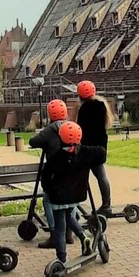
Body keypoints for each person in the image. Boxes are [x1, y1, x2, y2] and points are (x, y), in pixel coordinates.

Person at [42, 122, 100, 263]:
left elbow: (45, 179)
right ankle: (83, 237)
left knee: (60, 228)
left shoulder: (55, 157)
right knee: (69, 216)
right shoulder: (86, 153)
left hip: (59, 197)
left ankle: (61, 258)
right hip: (76, 195)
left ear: (61, 138)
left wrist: (50, 191)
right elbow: (101, 153)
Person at [29, 99, 73, 249]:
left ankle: (55, 234)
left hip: (55, 174)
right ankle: (69, 232)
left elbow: (33, 141)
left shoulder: (49, 130)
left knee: (48, 200)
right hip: (72, 171)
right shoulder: (71, 127)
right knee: (71, 200)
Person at [75, 81, 114, 214]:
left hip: (87, 148)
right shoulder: (102, 105)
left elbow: (80, 129)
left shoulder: (84, 109)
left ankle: (74, 204)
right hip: (100, 147)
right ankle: (106, 204)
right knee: (101, 176)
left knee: (80, 176)